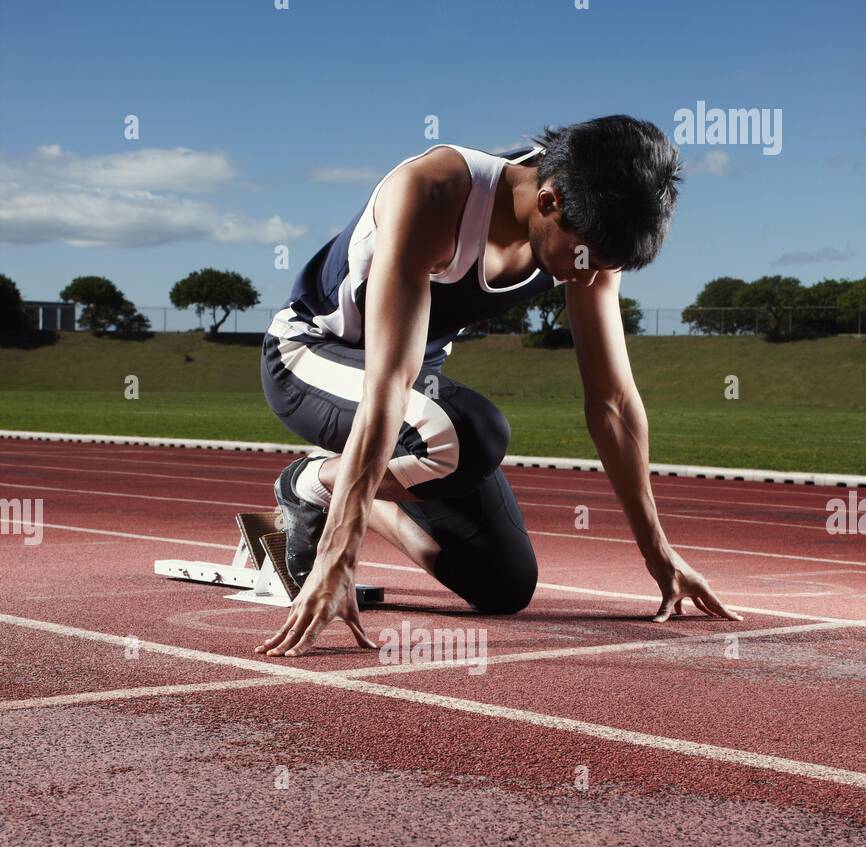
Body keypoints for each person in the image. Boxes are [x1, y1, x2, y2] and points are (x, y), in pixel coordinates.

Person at [257, 115, 741, 657]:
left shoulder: (592, 226)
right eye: (583, 261)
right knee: (471, 434)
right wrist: (338, 552)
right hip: (310, 357)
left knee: (503, 584)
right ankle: (318, 492)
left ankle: (327, 484)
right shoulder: (435, 191)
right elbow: (388, 381)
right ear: (549, 201)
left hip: (414, 391)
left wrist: (659, 553)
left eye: (603, 268)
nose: (584, 279)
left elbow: (613, 401)